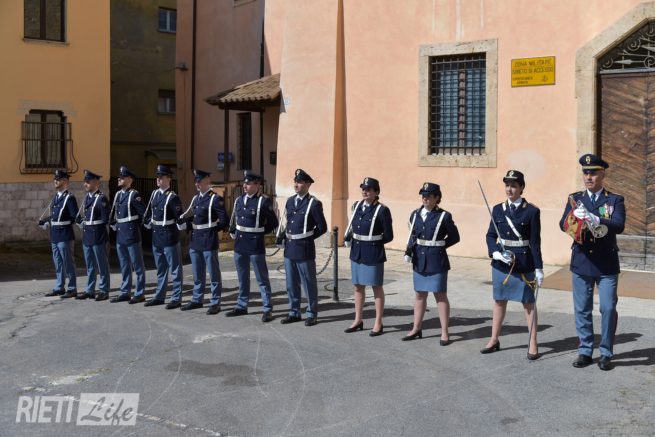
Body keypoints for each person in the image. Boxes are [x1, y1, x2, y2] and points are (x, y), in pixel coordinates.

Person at [559, 154, 625, 371]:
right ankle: (585, 351)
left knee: (608, 308)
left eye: (593, 173)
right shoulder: (575, 199)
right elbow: (562, 225)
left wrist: (596, 219)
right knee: (582, 309)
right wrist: (573, 218)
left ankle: (606, 352)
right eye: (586, 173)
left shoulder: (614, 200)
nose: (588, 177)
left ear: (602, 174)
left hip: (606, 263)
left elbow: (619, 225)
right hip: (582, 261)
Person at [481, 170, 544, 360]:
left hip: (524, 263)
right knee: (499, 301)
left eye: (514, 186)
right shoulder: (498, 209)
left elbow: (535, 242)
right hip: (502, 264)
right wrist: (495, 252)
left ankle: (533, 342)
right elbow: (491, 235)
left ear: (522, 188)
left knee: (528, 303)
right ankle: (494, 339)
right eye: (507, 185)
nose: (509, 189)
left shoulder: (531, 211)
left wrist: (539, 268)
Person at [402, 182, 460, 345]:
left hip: (437, 260)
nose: (425, 198)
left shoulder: (444, 216)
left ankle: (444, 332)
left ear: (437, 198)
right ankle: (416, 328)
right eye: (423, 195)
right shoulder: (415, 214)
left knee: (440, 295)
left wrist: (439, 246)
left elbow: (455, 237)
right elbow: (413, 235)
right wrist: (408, 251)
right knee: (420, 294)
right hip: (419, 258)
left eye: (428, 195)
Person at [276, 169, 328, 326]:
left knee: (308, 282)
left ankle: (312, 313)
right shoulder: (290, 201)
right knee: (291, 283)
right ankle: (294, 311)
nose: (296, 185)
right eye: (295, 182)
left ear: (307, 184)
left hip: (304, 249)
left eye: (299, 182)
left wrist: (307, 238)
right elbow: (290, 222)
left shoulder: (314, 203)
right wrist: (283, 235)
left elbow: (322, 227)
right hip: (290, 248)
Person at [226, 171, 279, 322]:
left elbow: (273, 223)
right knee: (242, 277)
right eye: (244, 183)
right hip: (240, 244)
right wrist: (233, 230)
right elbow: (235, 219)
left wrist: (260, 232)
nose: (245, 186)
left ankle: (267, 308)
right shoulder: (239, 200)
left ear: (257, 185)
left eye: (248, 183)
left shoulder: (263, 201)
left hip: (255, 244)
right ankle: (241, 305)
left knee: (262, 278)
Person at [344, 177, 394, 336]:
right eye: (363, 189)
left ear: (376, 192)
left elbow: (388, 235)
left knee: (376, 287)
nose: (365, 192)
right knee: (358, 286)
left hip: (373, 252)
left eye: (369, 189)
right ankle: (358, 319)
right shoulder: (356, 206)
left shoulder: (382, 210)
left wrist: (373, 243)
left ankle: (378, 322)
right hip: (357, 251)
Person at [177, 169, 228, 314]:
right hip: (195, 240)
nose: (197, 184)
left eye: (199, 181)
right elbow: (196, 218)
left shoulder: (215, 199)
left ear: (207, 181)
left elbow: (224, 221)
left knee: (213, 274)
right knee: (197, 273)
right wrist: (186, 223)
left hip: (208, 240)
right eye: (196, 181)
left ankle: (215, 302)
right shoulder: (196, 199)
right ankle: (197, 299)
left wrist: (212, 231)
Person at [143, 164, 184, 309]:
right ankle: (159, 296)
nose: (158, 179)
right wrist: (148, 221)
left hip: (169, 236)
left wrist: (181, 224)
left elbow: (179, 217)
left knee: (175, 269)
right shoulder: (155, 194)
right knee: (160, 269)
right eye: (157, 177)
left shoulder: (173, 197)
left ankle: (176, 298)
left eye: (161, 177)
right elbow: (150, 211)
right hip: (157, 236)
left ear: (169, 179)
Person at [109, 166, 147, 304]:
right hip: (121, 234)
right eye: (119, 177)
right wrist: (113, 222)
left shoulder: (134, 195)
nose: (119, 179)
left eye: (122, 177)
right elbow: (115, 212)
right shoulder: (118, 195)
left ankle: (140, 293)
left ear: (130, 180)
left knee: (137, 265)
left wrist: (138, 226)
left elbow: (144, 214)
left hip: (131, 233)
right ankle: (125, 291)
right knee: (124, 265)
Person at [40, 170, 79, 298]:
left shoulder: (69, 198)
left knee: (68, 262)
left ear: (65, 181)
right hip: (55, 235)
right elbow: (54, 215)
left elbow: (74, 217)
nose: (55, 181)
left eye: (58, 179)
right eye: (55, 179)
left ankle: (72, 288)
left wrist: (62, 223)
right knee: (58, 263)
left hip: (64, 234)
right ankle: (59, 287)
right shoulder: (56, 197)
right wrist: (47, 221)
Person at [75, 169, 111, 301]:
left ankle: (104, 290)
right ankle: (89, 290)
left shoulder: (101, 198)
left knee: (102, 265)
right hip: (87, 236)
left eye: (88, 181)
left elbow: (105, 219)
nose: (85, 184)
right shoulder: (87, 198)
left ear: (96, 183)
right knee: (90, 266)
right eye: (85, 181)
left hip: (98, 235)